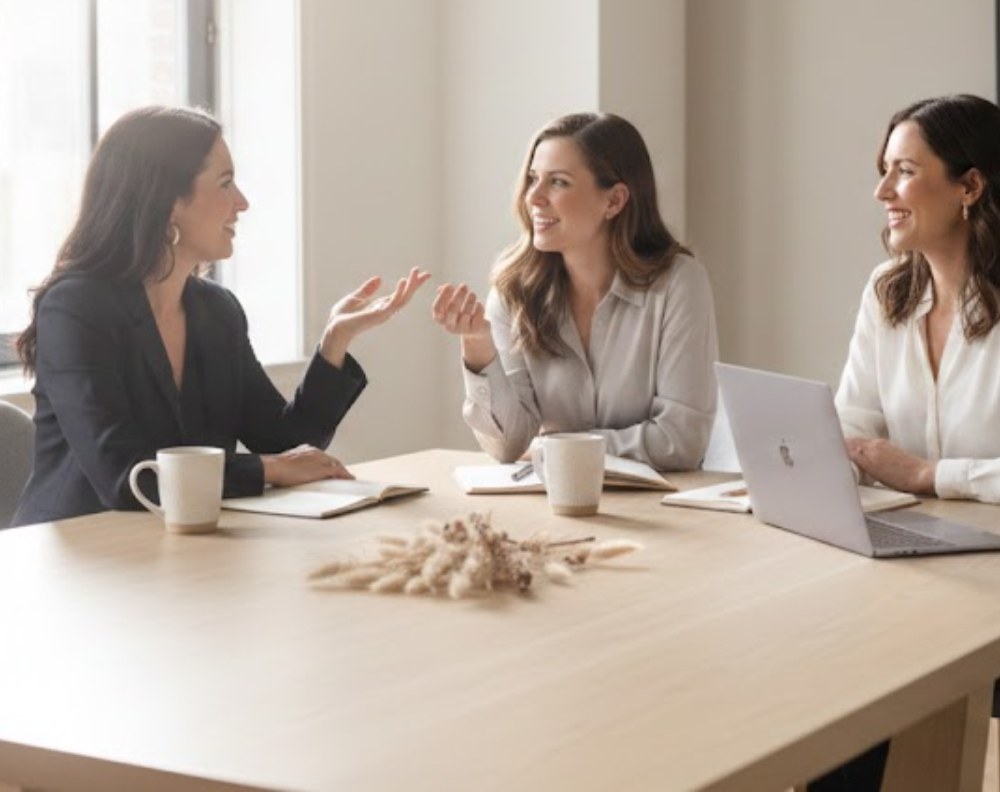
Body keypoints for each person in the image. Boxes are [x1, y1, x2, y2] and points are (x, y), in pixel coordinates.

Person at [13, 105, 430, 527]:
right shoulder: (76, 308)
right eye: (226, 183)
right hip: (77, 548)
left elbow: (286, 444)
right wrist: (267, 469)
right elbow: (123, 476)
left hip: (179, 546)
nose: (243, 203)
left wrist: (334, 344)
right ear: (169, 200)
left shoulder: (216, 310)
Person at [810, 93, 1000, 792]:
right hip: (925, 564)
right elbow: (854, 426)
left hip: (986, 583)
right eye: (883, 170)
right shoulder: (888, 291)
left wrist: (929, 474)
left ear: (970, 185)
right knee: (832, 674)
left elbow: (906, 466)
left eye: (904, 171)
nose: (881, 192)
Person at [431, 111, 718, 471]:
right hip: (553, 508)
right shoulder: (513, 291)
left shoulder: (678, 283)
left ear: (613, 201)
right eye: (533, 179)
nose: (533, 197)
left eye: (559, 182)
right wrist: (477, 346)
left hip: (660, 513)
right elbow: (507, 446)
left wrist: (553, 448)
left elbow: (681, 441)